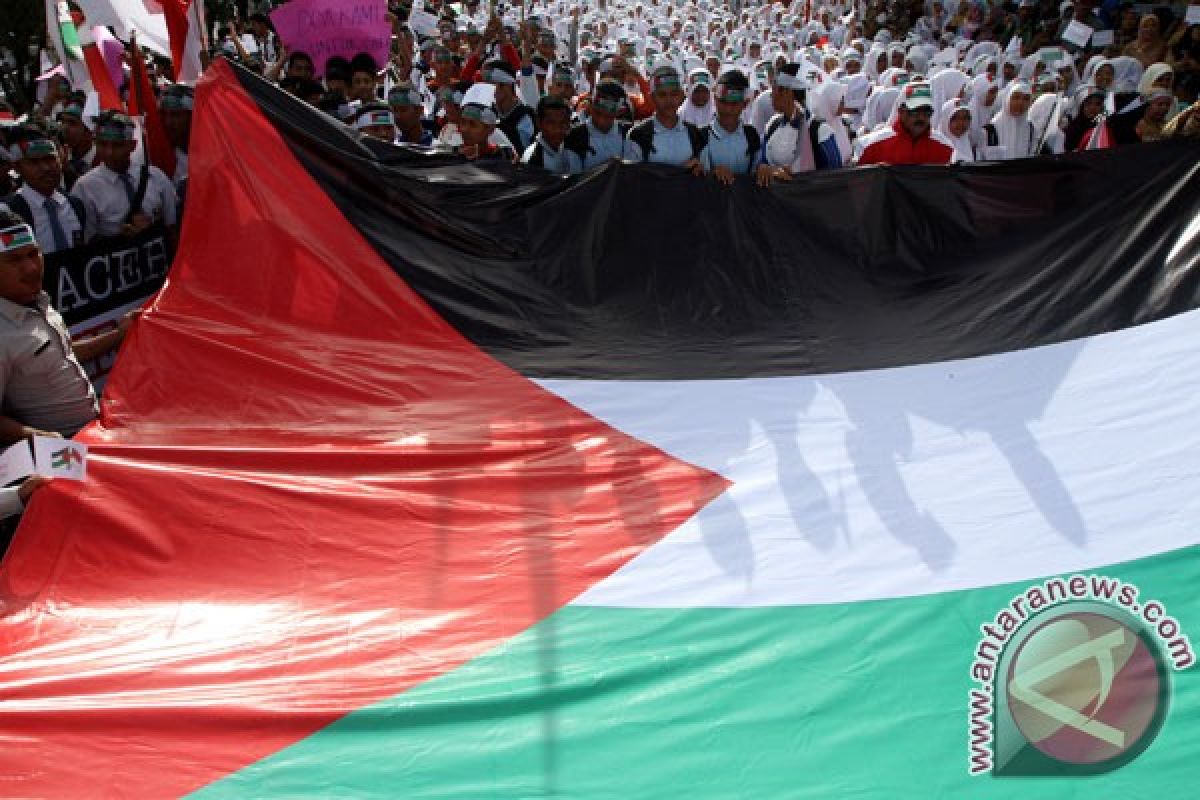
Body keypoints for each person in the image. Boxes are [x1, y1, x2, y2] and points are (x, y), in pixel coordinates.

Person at [0, 209, 136, 445]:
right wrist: (43, 439)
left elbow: (62, 351)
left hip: (97, 428)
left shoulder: (38, 301)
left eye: (33, 254)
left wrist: (119, 334)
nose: (31, 268)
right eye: (14, 260)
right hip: (64, 449)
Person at [70, 111, 179, 248]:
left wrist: (152, 229)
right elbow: (85, 244)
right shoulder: (85, 187)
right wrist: (119, 239)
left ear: (133, 145)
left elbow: (172, 227)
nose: (109, 152)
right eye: (103, 144)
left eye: (117, 145)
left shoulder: (156, 177)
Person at [1, 130, 90, 253]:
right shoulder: (7, 212)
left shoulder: (75, 205)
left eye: (50, 159)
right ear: (17, 167)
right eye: (34, 162)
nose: (46, 168)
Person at [758, 64, 844, 183]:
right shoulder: (773, 124)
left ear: (787, 92)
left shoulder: (819, 131)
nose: (771, 95)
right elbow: (762, 161)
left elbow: (835, 177)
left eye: (774, 88)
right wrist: (766, 169)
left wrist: (795, 176)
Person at [623, 65, 706, 170]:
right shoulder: (638, 134)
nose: (669, 101)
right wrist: (680, 171)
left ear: (682, 96)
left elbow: (703, 171)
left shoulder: (694, 133)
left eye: (674, 94)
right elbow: (632, 176)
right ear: (652, 98)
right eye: (662, 95)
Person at [856, 82, 955, 165]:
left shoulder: (946, 147)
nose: (921, 118)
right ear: (901, 111)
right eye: (915, 112)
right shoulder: (869, 145)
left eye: (926, 112)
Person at [699, 69, 761, 185]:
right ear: (715, 100)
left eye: (734, 104)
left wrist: (764, 169)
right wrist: (712, 174)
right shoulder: (701, 136)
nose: (728, 109)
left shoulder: (751, 135)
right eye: (723, 102)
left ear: (745, 104)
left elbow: (756, 173)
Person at [564, 81, 630, 174]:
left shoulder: (628, 134)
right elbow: (574, 178)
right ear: (590, 105)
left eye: (608, 115)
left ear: (620, 111)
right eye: (598, 113)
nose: (602, 120)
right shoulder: (574, 136)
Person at [980, 81, 1038, 159]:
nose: (1020, 103)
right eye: (1016, 97)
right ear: (1007, 99)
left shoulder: (1030, 129)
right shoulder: (991, 130)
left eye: (1026, 99)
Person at [522, 95, 573, 173]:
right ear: (539, 123)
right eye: (551, 123)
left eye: (563, 122)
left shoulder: (575, 146)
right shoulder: (532, 159)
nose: (557, 129)